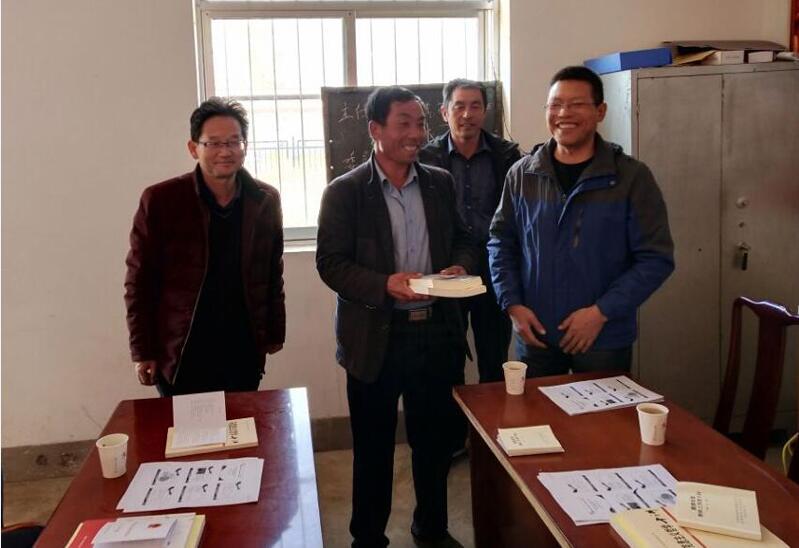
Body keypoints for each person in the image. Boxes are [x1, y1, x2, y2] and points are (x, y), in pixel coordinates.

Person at [316, 86, 477, 548]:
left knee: (434, 442)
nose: (416, 133)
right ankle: (368, 537)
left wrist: (459, 265)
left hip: (435, 333)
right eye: (403, 123)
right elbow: (331, 264)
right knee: (373, 447)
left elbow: (464, 239)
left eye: (420, 123)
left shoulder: (439, 182)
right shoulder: (345, 192)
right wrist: (384, 283)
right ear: (375, 129)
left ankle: (431, 529)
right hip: (376, 337)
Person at [488, 66, 674, 377]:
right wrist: (513, 305)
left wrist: (601, 312)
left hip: (603, 338)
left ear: (600, 111)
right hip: (537, 335)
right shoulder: (523, 175)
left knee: (602, 410)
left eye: (576, 104)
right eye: (556, 104)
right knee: (536, 409)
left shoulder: (630, 177)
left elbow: (656, 258)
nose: (564, 113)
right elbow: (500, 243)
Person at [124, 98, 285, 396]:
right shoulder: (161, 200)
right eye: (213, 143)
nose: (225, 151)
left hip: (242, 348)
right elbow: (139, 281)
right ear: (193, 148)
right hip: (182, 349)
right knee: (185, 426)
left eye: (234, 141)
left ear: (245, 147)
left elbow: (272, 274)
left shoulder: (264, 200)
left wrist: (274, 333)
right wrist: (142, 350)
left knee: (239, 424)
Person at [419, 78, 521, 384]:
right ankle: (452, 416)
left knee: (494, 359)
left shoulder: (507, 156)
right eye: (459, 106)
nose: (467, 114)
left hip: (495, 269)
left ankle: (490, 417)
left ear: (485, 111)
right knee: (447, 359)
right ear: (444, 112)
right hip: (448, 270)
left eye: (475, 106)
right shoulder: (425, 159)